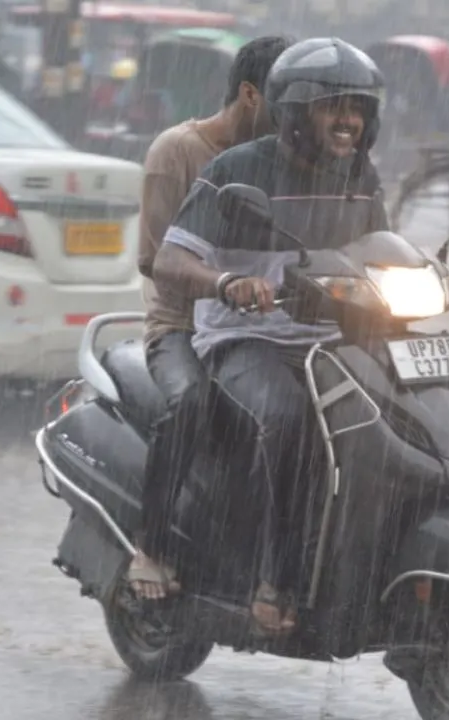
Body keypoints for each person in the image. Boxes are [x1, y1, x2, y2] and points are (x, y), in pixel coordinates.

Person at [152, 38, 389, 634]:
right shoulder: (234, 170)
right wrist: (229, 282)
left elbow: (381, 253)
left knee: (397, 409)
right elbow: (169, 263)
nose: (348, 122)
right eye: (333, 107)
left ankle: (359, 563)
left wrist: (431, 279)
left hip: (325, 338)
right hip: (245, 341)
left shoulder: (360, 176)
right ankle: (274, 578)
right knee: (287, 420)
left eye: (357, 109)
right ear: (294, 112)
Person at [131, 36, 293, 602]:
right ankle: (151, 547)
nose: (295, 118)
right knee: (191, 403)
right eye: (286, 101)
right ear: (250, 94)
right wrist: (221, 285)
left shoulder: (283, 158)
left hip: (257, 326)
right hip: (179, 326)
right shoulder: (177, 150)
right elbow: (153, 259)